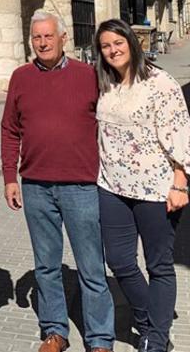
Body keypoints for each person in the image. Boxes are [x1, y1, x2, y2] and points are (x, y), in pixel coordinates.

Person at [1, 11, 115, 352]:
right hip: (36, 186)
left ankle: (99, 339)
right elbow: (9, 130)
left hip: (81, 187)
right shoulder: (21, 77)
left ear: (64, 38)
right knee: (47, 266)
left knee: (91, 267)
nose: (43, 42)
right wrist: (10, 178)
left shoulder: (89, 75)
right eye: (37, 37)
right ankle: (54, 332)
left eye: (49, 36)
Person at [95, 18, 190, 352]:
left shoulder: (160, 82)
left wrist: (180, 182)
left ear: (131, 43)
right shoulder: (105, 83)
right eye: (106, 46)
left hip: (155, 189)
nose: (112, 50)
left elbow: (180, 132)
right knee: (119, 261)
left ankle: (157, 338)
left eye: (117, 43)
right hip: (112, 188)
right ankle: (149, 320)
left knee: (159, 265)